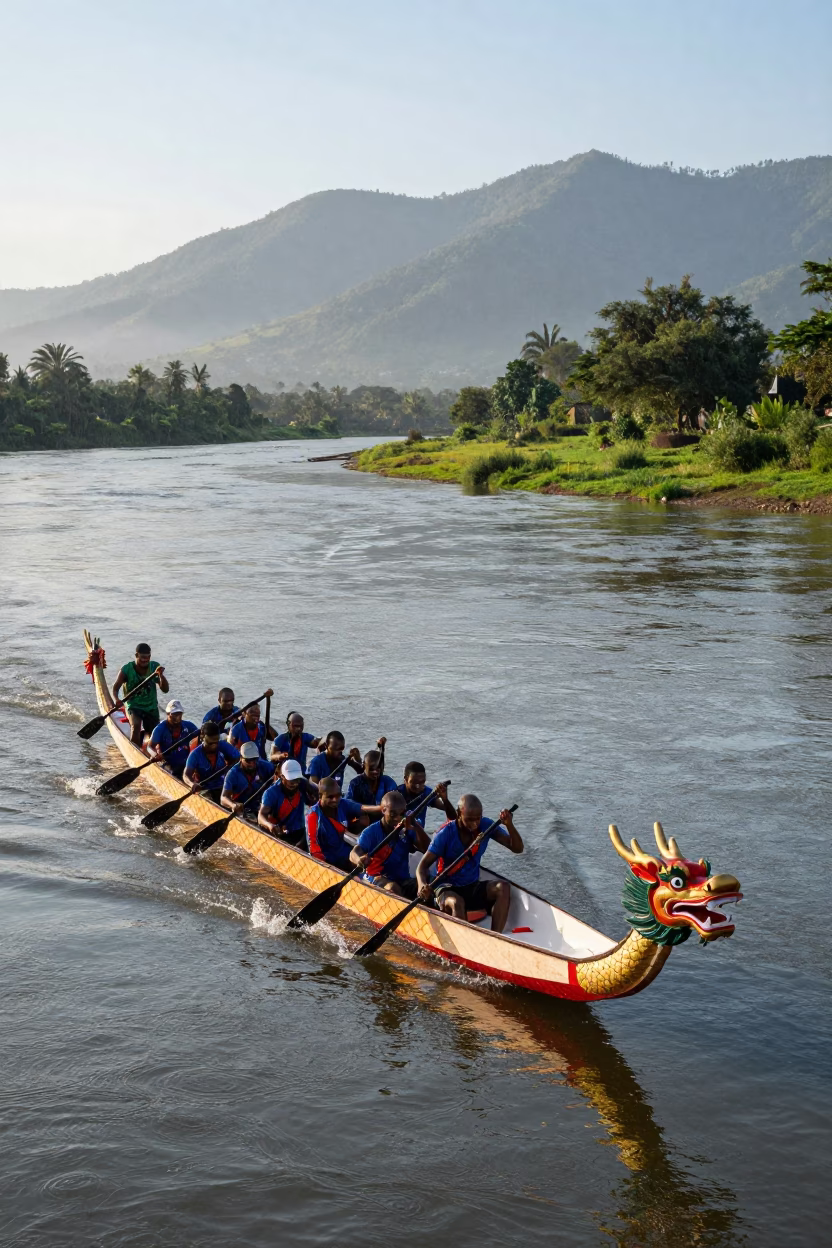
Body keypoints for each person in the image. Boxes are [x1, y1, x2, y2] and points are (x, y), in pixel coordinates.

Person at [416, 795, 523, 933]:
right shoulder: (444, 834)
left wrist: (509, 824)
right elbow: (422, 866)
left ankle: (495, 936)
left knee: (503, 887)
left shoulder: (485, 825)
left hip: (471, 885)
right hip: (446, 887)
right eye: (470, 820)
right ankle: (464, 940)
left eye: (478, 818)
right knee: (457, 902)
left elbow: (517, 848)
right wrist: (421, 886)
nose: (475, 824)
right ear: (459, 814)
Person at [350, 790, 429, 897]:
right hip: (376, 877)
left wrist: (416, 827)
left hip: (402, 879)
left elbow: (427, 849)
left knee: (427, 886)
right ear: (383, 810)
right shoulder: (370, 832)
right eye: (393, 814)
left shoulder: (409, 827)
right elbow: (354, 852)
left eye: (401, 814)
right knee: (393, 888)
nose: (397, 818)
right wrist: (359, 859)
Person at [305, 777, 377, 870]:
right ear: (320, 796)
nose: (335, 800)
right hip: (328, 860)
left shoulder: (342, 803)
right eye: (330, 797)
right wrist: (323, 868)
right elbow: (313, 846)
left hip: (346, 854)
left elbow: (362, 808)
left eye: (338, 795)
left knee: (364, 820)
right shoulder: (313, 815)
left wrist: (381, 808)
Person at [112, 643, 169, 746]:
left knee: (155, 732)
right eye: (142, 657)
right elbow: (116, 688)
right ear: (136, 655)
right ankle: (134, 751)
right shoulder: (126, 669)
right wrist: (117, 699)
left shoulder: (154, 667)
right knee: (136, 726)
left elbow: (165, 690)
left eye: (147, 657)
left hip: (151, 707)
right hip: (134, 705)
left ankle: (154, 753)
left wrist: (161, 676)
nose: (145, 660)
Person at [258, 758, 317, 846]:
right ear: (282, 777)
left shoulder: (303, 784)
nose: (295, 783)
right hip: (277, 832)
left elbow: (318, 796)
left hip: (297, 831)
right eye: (291, 780)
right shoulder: (270, 793)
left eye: (297, 780)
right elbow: (260, 816)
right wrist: (269, 825)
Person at [183, 721, 240, 804]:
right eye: (210, 743)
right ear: (202, 737)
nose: (214, 746)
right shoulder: (195, 754)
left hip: (222, 785)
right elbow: (186, 775)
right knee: (210, 798)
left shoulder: (223, 746)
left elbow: (239, 758)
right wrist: (192, 784)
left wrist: (229, 768)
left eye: (216, 742)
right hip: (204, 788)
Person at [148, 699, 198, 778]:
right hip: (168, 762)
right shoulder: (160, 729)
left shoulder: (189, 725)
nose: (177, 718)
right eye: (174, 715)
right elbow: (149, 747)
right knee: (174, 773)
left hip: (186, 762)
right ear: (168, 714)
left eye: (179, 714)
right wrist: (155, 755)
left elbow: (201, 735)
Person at [221, 741, 275, 815]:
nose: (252, 764)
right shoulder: (233, 774)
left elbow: (278, 772)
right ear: (241, 758)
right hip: (243, 808)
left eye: (255, 759)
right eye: (248, 761)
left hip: (261, 805)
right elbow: (223, 798)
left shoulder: (265, 766)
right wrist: (233, 805)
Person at [397, 762, 455, 827]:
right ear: (406, 779)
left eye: (422, 782)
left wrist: (445, 799)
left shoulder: (427, 793)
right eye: (415, 783)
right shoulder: (396, 795)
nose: (418, 786)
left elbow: (454, 818)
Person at [346, 739, 396, 809]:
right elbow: (348, 806)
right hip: (361, 817)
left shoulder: (388, 782)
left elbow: (396, 802)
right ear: (364, 766)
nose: (375, 772)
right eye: (371, 769)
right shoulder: (355, 784)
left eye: (378, 768)